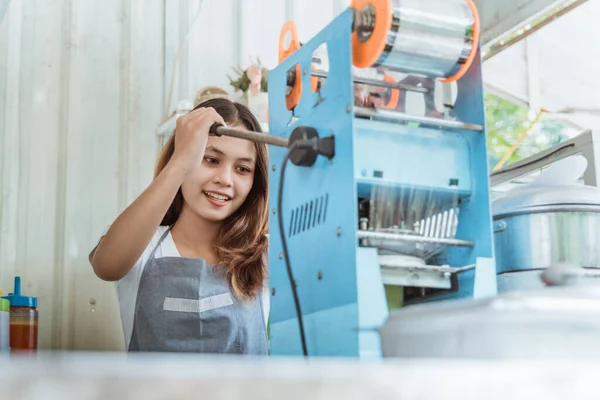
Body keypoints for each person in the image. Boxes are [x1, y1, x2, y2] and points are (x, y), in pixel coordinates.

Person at [89, 98, 269, 354]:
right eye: (211, 160)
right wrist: (181, 160)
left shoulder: (264, 257)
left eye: (242, 168)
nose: (225, 180)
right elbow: (106, 266)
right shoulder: (142, 243)